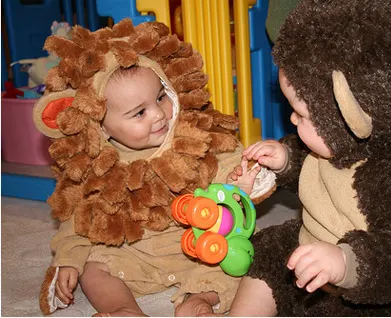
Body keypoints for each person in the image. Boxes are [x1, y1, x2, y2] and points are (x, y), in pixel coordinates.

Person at [223, 0, 391, 316]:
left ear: (350, 118)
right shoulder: (332, 145)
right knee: (269, 249)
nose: (292, 121)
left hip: (378, 286)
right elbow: (316, 172)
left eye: (301, 114)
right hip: (315, 245)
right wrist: (284, 161)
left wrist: (347, 263)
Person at [34, 19, 275, 317]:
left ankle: (200, 299)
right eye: (139, 113)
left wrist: (243, 179)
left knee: (248, 255)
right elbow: (79, 215)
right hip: (135, 253)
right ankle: (123, 309)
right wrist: (69, 257)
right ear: (101, 127)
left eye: (161, 97)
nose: (159, 115)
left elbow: (226, 156)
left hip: (202, 247)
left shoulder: (191, 134)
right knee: (95, 265)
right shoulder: (97, 166)